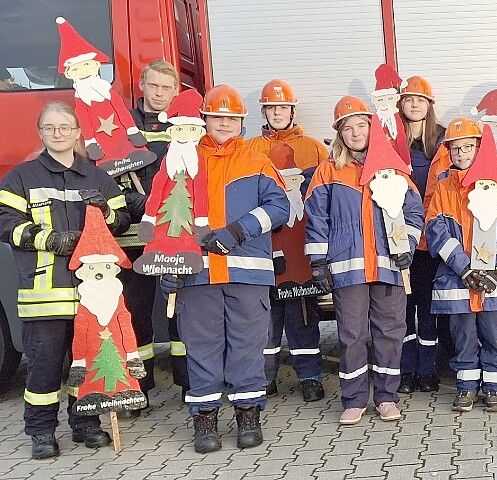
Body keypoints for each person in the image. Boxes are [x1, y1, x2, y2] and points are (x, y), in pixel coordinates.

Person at [0, 101, 130, 459]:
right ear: (40, 133)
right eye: (50, 128)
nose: (58, 134)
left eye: (65, 127)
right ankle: (41, 432)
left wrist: (106, 210)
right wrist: (50, 239)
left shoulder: (98, 177)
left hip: (93, 293)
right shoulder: (21, 177)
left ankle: (85, 424)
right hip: (46, 291)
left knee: (85, 362)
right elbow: (4, 223)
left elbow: (122, 222)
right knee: (44, 367)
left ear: (77, 133)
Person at [171, 85, 289, 453]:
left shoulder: (256, 161)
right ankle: (205, 419)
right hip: (197, 274)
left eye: (231, 118)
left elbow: (280, 207)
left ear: (241, 122)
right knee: (202, 347)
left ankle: (248, 414)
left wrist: (238, 230)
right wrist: (167, 267)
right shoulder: (182, 159)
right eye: (217, 117)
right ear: (204, 118)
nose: (224, 123)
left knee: (246, 347)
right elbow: (165, 218)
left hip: (246, 275)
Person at [305, 97, 423, 425]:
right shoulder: (329, 170)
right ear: (339, 133)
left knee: (389, 332)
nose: (355, 133)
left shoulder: (393, 168)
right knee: (351, 334)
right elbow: (316, 218)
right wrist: (318, 261)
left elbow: (414, 210)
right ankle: (354, 399)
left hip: (389, 264)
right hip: (348, 266)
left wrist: (408, 245)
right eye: (348, 127)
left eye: (361, 126)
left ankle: (387, 397)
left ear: (372, 129)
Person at [426, 120, 497, 413]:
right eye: (456, 149)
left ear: (479, 150)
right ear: (449, 153)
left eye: (468, 147)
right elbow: (435, 231)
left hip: (494, 281)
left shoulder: (496, 189)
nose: (462, 154)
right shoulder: (443, 188)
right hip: (458, 281)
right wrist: (464, 267)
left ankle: (494, 387)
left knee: (495, 334)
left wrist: (495, 270)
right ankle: (466, 387)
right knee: (463, 336)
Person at [246, 79, 329, 403]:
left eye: (283, 107)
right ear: (264, 112)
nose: (278, 113)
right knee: (265, 321)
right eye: (272, 108)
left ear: (292, 110)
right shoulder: (250, 148)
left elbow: (323, 199)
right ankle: (265, 378)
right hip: (262, 249)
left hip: (300, 250)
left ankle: (310, 375)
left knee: (303, 317)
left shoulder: (314, 148)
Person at [120, 59, 189, 416]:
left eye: (167, 88)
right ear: (142, 87)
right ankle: (140, 389)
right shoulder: (122, 128)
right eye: (154, 86)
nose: (160, 93)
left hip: (176, 234)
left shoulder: (185, 125)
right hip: (135, 235)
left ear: (175, 91)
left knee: (181, 311)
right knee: (137, 314)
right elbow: (113, 173)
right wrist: (139, 204)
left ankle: (188, 384)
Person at [396, 75, 446, 394]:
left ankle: (427, 370)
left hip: (430, 240)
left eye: (420, 99)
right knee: (402, 309)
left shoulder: (442, 140)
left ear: (429, 105)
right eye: (409, 99)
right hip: (399, 238)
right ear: (401, 104)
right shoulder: (389, 140)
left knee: (427, 308)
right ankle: (405, 370)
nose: (414, 104)